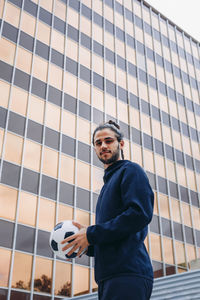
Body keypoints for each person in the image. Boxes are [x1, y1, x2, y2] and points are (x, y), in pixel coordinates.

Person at [62, 120, 154, 300]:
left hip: (128, 274)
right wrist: (86, 243)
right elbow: (116, 236)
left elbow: (139, 215)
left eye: (108, 141)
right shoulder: (106, 186)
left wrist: (92, 234)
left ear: (121, 144)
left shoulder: (131, 171)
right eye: (98, 143)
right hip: (108, 278)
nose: (103, 146)